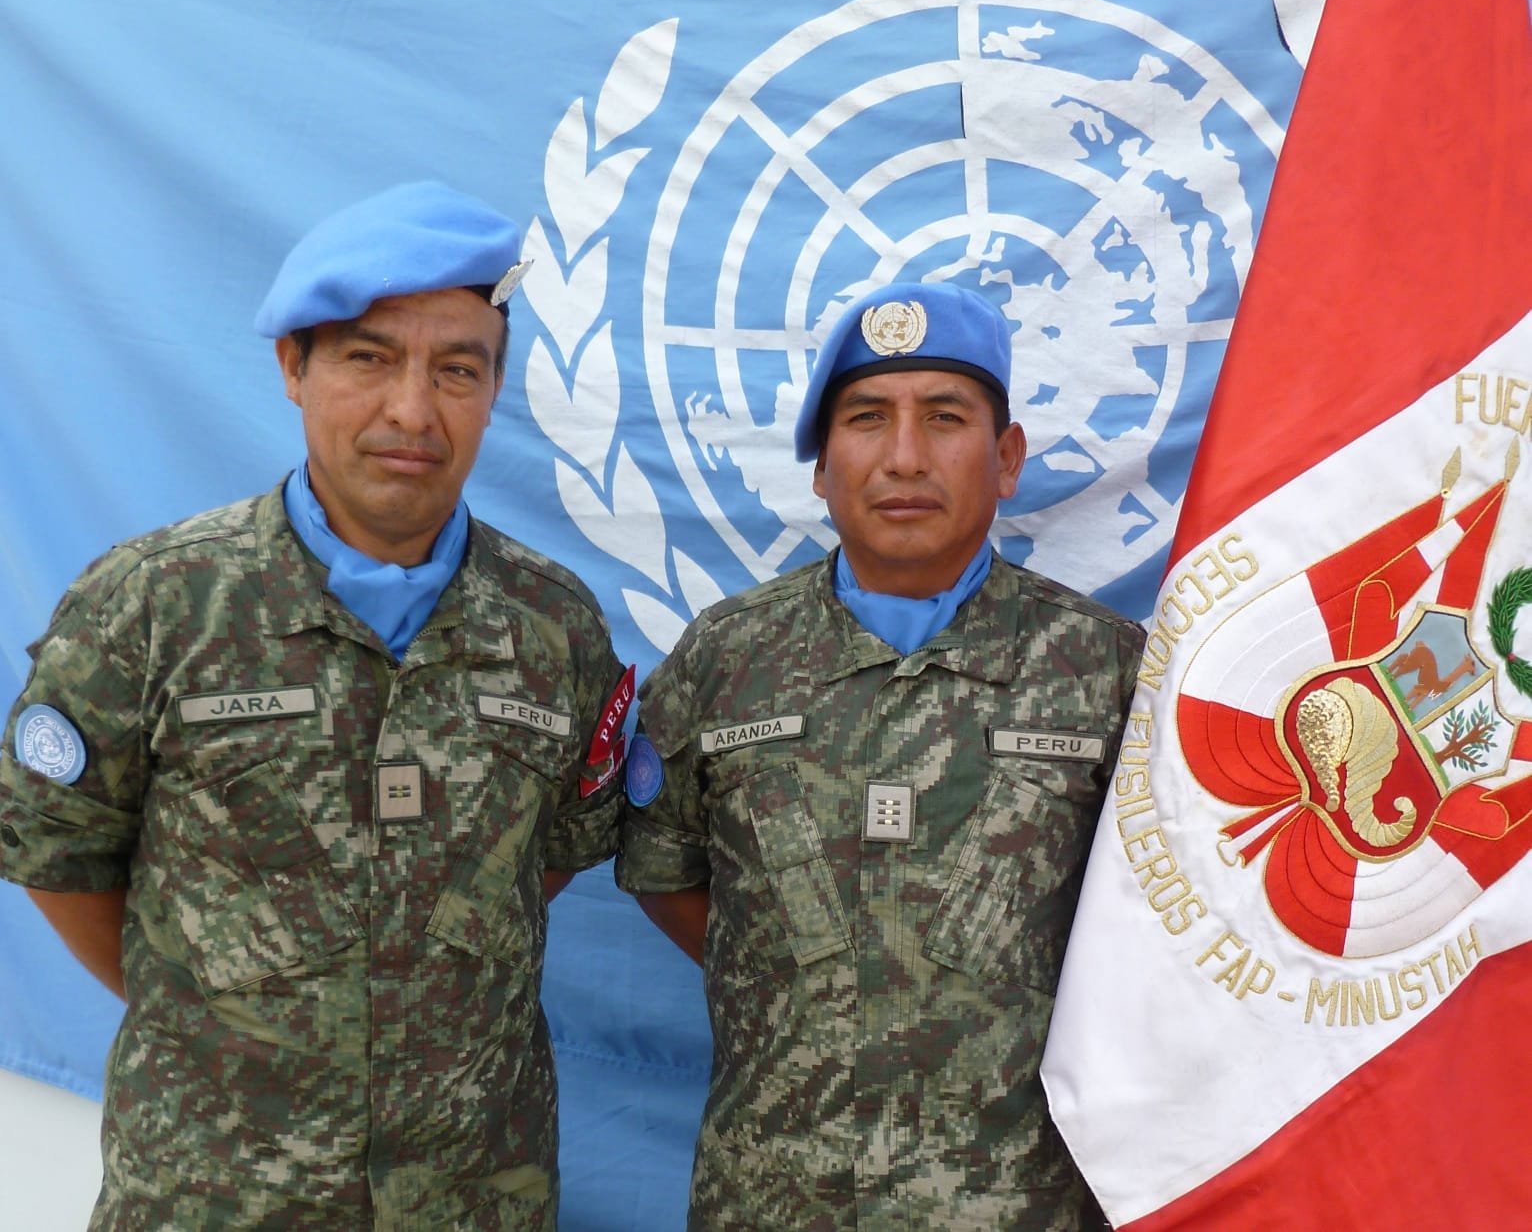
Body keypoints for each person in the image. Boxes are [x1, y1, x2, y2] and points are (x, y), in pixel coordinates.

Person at [0, 182, 633, 1228]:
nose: (411, 411)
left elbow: (546, 857)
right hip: (214, 1190)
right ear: (293, 366)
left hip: (469, 1196)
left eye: (457, 369)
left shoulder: (552, 628)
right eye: (367, 357)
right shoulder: (151, 604)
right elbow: (59, 855)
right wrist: (233, 1015)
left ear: (491, 389)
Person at [618, 280, 1145, 1228]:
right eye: (866, 418)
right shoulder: (723, 661)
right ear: (822, 465)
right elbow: (670, 876)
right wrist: (813, 977)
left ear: (1008, 457)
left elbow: (1157, 937)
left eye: (946, 417)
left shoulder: (1109, 673)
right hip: (774, 1200)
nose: (905, 457)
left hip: (1027, 1205)